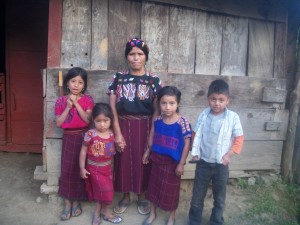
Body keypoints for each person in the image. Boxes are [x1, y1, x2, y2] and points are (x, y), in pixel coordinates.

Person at [107, 38, 162, 215]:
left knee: (144, 160)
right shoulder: (119, 78)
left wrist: (152, 135)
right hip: (123, 123)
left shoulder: (153, 80)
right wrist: (117, 132)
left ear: (146, 57)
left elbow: (156, 111)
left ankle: (142, 195)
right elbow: (112, 107)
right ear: (126, 57)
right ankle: (125, 196)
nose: (136, 58)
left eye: (140, 54)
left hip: (146, 124)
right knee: (122, 160)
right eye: (132, 54)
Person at [188, 79, 244, 225]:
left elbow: (239, 138)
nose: (217, 103)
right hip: (203, 163)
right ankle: (194, 221)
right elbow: (196, 134)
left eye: (221, 100)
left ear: (227, 101)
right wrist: (195, 151)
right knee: (197, 196)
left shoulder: (233, 118)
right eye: (213, 99)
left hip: (221, 165)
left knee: (219, 197)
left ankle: (216, 220)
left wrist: (228, 154)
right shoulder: (204, 115)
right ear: (208, 99)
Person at [142, 86, 192, 225]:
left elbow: (187, 144)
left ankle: (171, 217)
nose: (167, 107)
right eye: (163, 103)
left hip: (173, 164)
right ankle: (152, 213)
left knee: (171, 192)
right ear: (159, 104)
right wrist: (147, 151)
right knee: (153, 188)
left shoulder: (183, 122)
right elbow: (152, 135)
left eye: (172, 103)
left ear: (178, 104)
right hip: (156, 160)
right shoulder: (157, 120)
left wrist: (181, 163)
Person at [55, 67, 94, 221]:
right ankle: (67, 203)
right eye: (73, 81)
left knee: (80, 169)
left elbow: (87, 120)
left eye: (80, 82)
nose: (76, 85)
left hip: (83, 138)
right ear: (67, 83)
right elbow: (58, 123)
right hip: (69, 138)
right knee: (67, 170)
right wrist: (67, 106)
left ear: (84, 85)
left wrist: (76, 104)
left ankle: (76, 201)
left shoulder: (88, 100)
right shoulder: (60, 100)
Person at [79, 103, 123, 225]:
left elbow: (114, 151)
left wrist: (120, 145)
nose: (102, 124)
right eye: (98, 121)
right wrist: (82, 167)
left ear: (111, 120)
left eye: (105, 120)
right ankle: (103, 212)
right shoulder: (90, 134)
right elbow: (83, 151)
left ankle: (99, 212)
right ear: (93, 120)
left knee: (105, 191)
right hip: (94, 169)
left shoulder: (112, 134)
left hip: (108, 168)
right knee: (105, 191)